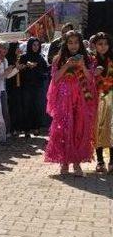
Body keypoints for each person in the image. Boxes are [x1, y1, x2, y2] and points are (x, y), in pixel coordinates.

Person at [45, 30, 97, 176]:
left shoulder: (88, 59)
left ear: (80, 43)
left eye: (76, 42)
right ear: (65, 44)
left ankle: (77, 163)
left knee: (79, 128)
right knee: (64, 128)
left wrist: (83, 66)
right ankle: (64, 162)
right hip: (64, 98)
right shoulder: (58, 59)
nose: (73, 45)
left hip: (81, 98)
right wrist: (66, 66)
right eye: (70, 42)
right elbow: (55, 78)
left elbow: (90, 79)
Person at [18, 37, 49, 136]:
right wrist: (27, 66)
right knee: (27, 106)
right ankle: (26, 129)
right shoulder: (24, 57)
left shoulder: (40, 57)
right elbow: (19, 70)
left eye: (37, 45)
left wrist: (37, 67)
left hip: (37, 85)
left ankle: (36, 127)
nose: (35, 47)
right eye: (33, 45)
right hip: (26, 85)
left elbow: (45, 70)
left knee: (37, 106)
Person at [92, 32, 113, 173]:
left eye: (105, 44)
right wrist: (94, 74)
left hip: (111, 98)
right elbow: (84, 81)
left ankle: (112, 161)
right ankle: (100, 160)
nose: (103, 47)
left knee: (112, 129)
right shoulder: (91, 61)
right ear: (95, 46)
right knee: (97, 129)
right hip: (95, 99)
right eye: (100, 44)